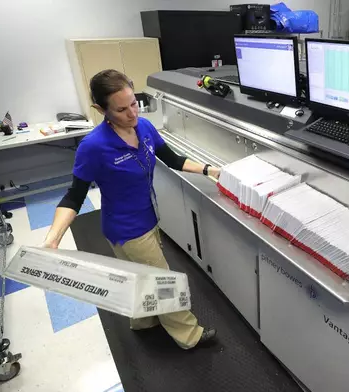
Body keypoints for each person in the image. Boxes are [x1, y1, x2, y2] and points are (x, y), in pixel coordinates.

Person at [43, 69, 219, 349]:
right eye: (121, 109)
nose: (132, 113)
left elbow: (172, 159)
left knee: (141, 276)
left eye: (134, 103)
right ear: (101, 109)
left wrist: (210, 170)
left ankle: (144, 321)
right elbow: (74, 196)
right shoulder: (94, 146)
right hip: (126, 228)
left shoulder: (145, 127)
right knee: (164, 283)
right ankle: (189, 336)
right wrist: (53, 239)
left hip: (149, 216)